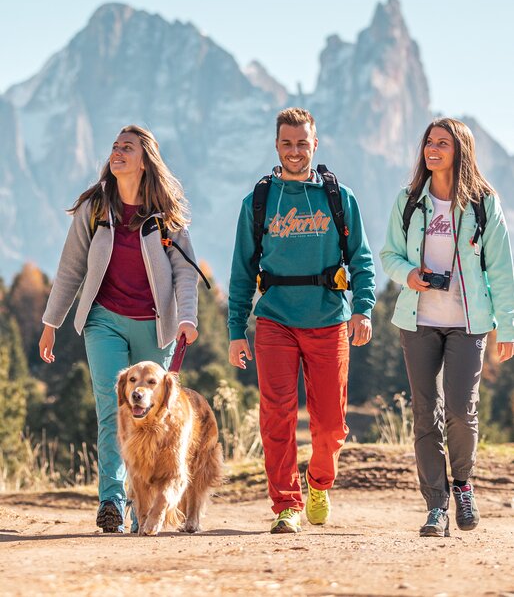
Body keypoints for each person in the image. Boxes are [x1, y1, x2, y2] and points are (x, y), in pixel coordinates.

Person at [39, 125, 199, 533]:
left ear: (145, 160)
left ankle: (148, 500)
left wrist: (187, 318)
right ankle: (111, 499)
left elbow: (184, 271)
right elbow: (70, 267)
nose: (117, 152)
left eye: (127, 147)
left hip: (155, 324)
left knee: (156, 417)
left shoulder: (166, 212)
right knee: (114, 410)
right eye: (114, 146)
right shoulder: (97, 207)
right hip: (103, 320)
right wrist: (51, 322)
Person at [228, 107, 375, 533]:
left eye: (302, 143)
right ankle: (286, 505)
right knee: (277, 415)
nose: (295, 151)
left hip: (329, 319)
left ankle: (318, 482)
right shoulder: (257, 201)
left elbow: (361, 260)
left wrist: (363, 308)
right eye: (287, 143)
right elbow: (241, 271)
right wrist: (237, 330)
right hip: (274, 320)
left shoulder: (339, 197)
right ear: (277, 146)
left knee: (331, 424)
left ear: (315, 144)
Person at [380, 118, 514, 538]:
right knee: (425, 414)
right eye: (429, 142)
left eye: (443, 143)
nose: (432, 149)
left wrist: (506, 329)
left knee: (460, 409)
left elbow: (502, 271)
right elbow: (388, 254)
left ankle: (464, 485)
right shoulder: (408, 200)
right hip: (418, 321)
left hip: (468, 323)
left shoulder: (483, 202)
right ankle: (436, 506)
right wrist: (409, 275)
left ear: (460, 151)